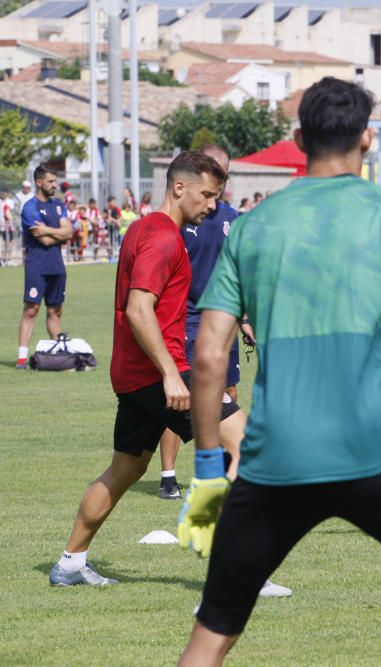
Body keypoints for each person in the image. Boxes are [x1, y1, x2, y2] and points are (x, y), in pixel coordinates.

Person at [175, 77, 381, 666]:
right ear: (369, 139)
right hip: (376, 450)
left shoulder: (252, 225)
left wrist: (206, 472)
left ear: (300, 138)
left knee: (213, 631)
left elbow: (206, 356)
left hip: (276, 460)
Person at [47, 152, 246, 587]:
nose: (212, 205)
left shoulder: (141, 228)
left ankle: (69, 564)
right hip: (161, 373)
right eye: (208, 195)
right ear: (180, 187)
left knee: (125, 470)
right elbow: (140, 309)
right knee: (247, 445)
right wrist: (172, 374)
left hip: (133, 375)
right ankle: (230, 565)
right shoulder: (163, 238)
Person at [158, 144, 249, 501]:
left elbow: (242, 272)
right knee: (178, 399)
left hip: (223, 321)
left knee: (228, 392)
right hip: (186, 321)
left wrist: (245, 317)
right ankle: (168, 475)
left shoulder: (233, 218)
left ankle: (222, 474)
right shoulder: (176, 222)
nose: (219, 181)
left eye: (223, 174)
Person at [16, 166, 73, 369]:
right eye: (50, 181)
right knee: (31, 309)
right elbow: (46, 241)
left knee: (55, 311)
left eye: (55, 181)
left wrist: (50, 230)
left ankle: (58, 354)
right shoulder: (30, 207)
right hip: (37, 266)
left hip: (57, 266)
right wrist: (60, 232)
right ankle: (22, 358)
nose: (54, 185)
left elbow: (69, 233)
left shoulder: (59, 205)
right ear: (39, 182)